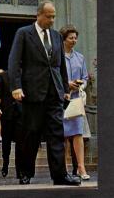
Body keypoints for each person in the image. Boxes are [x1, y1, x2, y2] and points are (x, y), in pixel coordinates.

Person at [8, 0, 81, 185]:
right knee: (30, 135)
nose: (52, 20)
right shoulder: (24, 33)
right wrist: (15, 86)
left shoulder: (57, 36)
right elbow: (14, 61)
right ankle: (25, 173)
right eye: (48, 16)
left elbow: (60, 65)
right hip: (32, 94)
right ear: (38, 15)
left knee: (56, 135)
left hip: (54, 95)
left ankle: (60, 176)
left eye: (54, 16)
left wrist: (64, 89)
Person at [59, 25, 90, 180]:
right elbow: (55, 77)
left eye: (75, 38)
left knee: (78, 134)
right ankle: (63, 169)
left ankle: (81, 168)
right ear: (63, 39)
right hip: (62, 99)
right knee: (63, 136)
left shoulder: (80, 57)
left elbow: (85, 78)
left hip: (76, 100)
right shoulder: (56, 57)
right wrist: (67, 84)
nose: (74, 40)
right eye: (71, 38)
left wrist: (80, 85)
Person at [0, 70, 23, 178]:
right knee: (6, 143)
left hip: (21, 114)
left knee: (20, 143)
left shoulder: (25, 74)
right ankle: (5, 165)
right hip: (7, 113)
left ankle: (19, 170)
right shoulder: (3, 76)